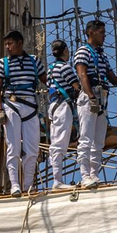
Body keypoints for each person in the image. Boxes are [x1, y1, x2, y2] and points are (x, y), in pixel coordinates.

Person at [0, 30, 44, 196]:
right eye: (6, 44)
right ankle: (14, 184)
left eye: (10, 43)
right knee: (13, 147)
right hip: (11, 105)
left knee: (32, 148)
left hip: (30, 106)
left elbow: (47, 79)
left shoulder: (34, 61)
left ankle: (28, 184)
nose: (7, 47)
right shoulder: (2, 63)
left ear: (20, 43)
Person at [73, 19, 117, 188]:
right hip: (90, 96)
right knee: (86, 138)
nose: (104, 36)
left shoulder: (101, 55)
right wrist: (91, 96)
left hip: (102, 98)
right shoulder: (83, 51)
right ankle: (85, 175)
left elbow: (112, 77)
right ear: (91, 32)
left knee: (98, 140)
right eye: (101, 32)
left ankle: (94, 174)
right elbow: (82, 75)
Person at [46, 38, 79, 189]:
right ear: (65, 51)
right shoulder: (66, 68)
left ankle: (57, 180)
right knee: (59, 143)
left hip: (53, 105)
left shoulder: (50, 68)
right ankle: (57, 181)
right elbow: (77, 86)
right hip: (63, 106)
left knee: (56, 140)